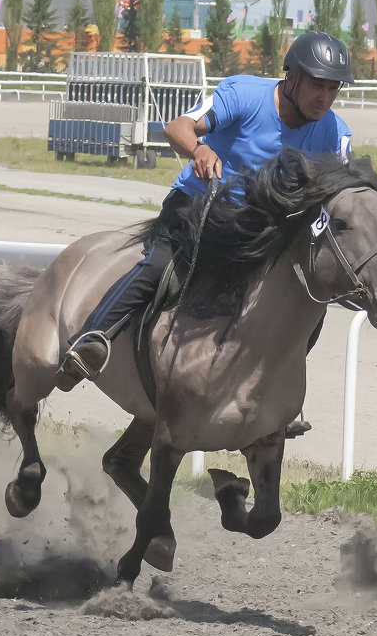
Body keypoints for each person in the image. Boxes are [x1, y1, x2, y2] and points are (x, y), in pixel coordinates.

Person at [53, 30, 357, 408]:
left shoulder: (336, 133)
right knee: (161, 265)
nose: (325, 98)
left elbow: (345, 193)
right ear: (291, 76)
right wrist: (199, 149)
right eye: (318, 85)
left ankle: (273, 390)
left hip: (260, 233)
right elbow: (176, 127)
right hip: (197, 207)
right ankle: (92, 339)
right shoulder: (244, 94)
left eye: (333, 88)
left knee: (305, 303)